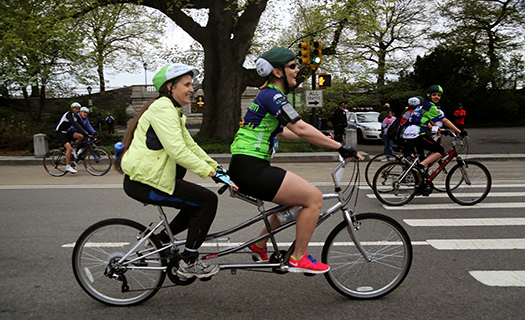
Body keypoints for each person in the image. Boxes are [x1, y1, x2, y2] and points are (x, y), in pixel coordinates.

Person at [228, 47, 364, 274]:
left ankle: (258, 244)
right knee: (313, 198)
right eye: (292, 66)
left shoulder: (267, 96)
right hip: (251, 168)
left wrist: (323, 139)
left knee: (294, 202)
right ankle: (299, 257)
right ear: (278, 72)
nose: (297, 70)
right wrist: (341, 146)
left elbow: (283, 131)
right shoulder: (273, 95)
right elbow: (300, 128)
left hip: (247, 165)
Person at [119, 63, 238, 279]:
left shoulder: (171, 111)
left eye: (191, 84)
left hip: (154, 179)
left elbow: (191, 147)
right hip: (145, 182)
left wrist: (217, 168)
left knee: (196, 203)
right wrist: (211, 174)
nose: (192, 89)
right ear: (170, 87)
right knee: (207, 201)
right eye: (187, 84)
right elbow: (178, 151)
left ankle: (163, 240)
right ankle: (189, 262)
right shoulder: (162, 109)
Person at [402, 85, 465, 173]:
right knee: (440, 150)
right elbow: (445, 121)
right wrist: (459, 131)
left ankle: (420, 184)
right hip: (417, 134)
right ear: (429, 95)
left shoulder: (422, 105)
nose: (437, 97)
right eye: (434, 95)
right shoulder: (430, 106)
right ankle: (420, 167)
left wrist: (440, 130)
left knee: (421, 158)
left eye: (439, 95)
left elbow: (429, 121)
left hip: (408, 133)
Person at [54, 102, 92, 173]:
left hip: (66, 132)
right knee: (69, 148)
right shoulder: (69, 115)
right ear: (72, 109)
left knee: (80, 136)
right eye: (76, 109)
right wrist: (86, 134)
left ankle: (74, 150)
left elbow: (83, 125)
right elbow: (75, 125)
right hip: (60, 132)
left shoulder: (76, 116)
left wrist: (92, 133)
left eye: (78, 109)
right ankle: (68, 166)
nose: (77, 110)